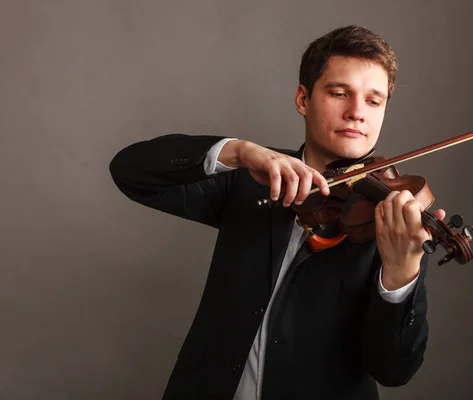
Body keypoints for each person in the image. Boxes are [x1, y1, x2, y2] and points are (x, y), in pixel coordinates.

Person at [109, 25, 445, 400]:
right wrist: (236, 151)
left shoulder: (393, 220)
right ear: (303, 98)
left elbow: (394, 370)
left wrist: (400, 275)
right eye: (339, 93)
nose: (356, 113)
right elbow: (130, 172)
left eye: (373, 100)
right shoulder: (251, 178)